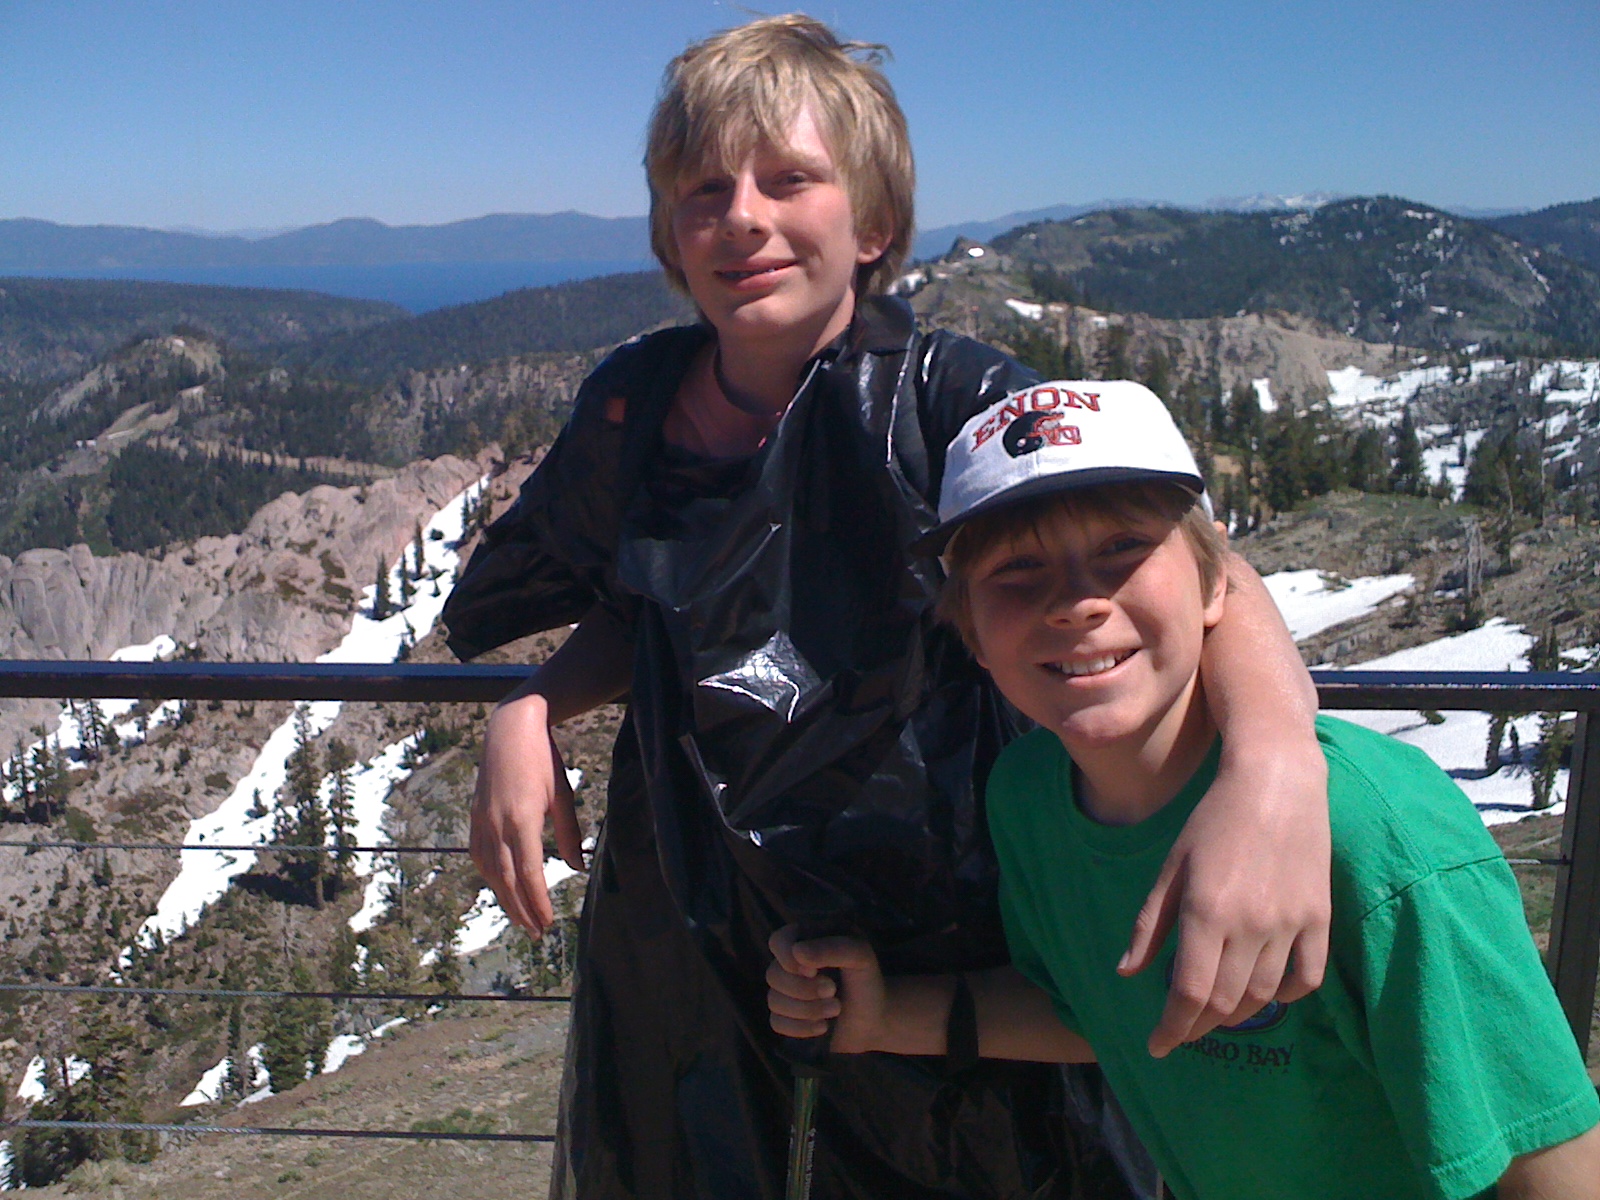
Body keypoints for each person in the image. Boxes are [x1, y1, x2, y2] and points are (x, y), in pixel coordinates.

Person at [444, 15, 1332, 1199]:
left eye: (788, 180)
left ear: (871, 226)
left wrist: (1272, 769)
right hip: (689, 933)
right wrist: (533, 707)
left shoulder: (951, 400)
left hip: (944, 934)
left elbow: (1197, 569)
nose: (742, 217)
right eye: (704, 190)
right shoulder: (633, 408)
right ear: (668, 232)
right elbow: (640, 601)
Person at [766, 378, 1600, 1200]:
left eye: (1121, 548)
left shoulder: (1379, 837)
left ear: (1213, 582)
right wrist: (887, 1016)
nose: (1076, 603)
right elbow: (1102, 1010)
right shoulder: (1029, 798)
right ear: (972, 633)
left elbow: (1556, 1168)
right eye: (1017, 567)